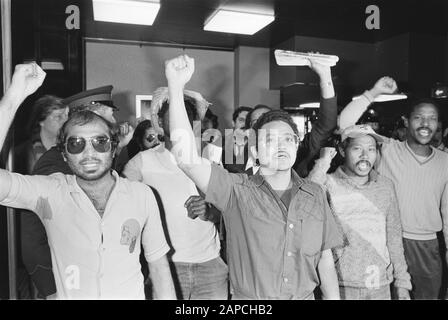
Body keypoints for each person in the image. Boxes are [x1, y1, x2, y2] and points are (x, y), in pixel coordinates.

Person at [165, 54, 342, 300]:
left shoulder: (315, 194)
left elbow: (325, 259)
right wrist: (175, 88)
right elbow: (187, 158)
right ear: (256, 151)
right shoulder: (237, 190)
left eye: (287, 139)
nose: (280, 145)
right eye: (270, 139)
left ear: (296, 145)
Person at [0, 63, 175, 299]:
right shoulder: (51, 191)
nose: (89, 153)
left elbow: (159, 268)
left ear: (114, 148)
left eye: (100, 142)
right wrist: (14, 96)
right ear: (64, 153)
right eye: (76, 144)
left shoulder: (142, 195)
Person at [339, 79, 448, 299]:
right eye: (418, 118)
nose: (425, 124)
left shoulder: (445, 162)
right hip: (384, 242)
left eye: (432, 119)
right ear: (406, 121)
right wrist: (374, 92)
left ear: (438, 125)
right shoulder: (386, 150)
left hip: (427, 248)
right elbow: (345, 123)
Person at [123, 90, 227, 300]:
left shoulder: (210, 158)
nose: (181, 124)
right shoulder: (141, 163)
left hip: (210, 266)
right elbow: (121, 211)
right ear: (160, 122)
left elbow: (226, 213)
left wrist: (209, 211)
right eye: (174, 117)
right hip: (165, 267)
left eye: (187, 119)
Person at [308, 125, 412, 300]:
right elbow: (306, 196)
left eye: (371, 149)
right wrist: (323, 161)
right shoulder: (328, 183)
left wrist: (402, 282)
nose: (365, 156)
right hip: (339, 285)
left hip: (380, 284)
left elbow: (393, 236)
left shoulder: (385, 186)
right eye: (357, 149)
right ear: (342, 150)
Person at [15, 95, 68, 299]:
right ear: (41, 121)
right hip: (32, 239)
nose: (65, 120)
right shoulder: (20, 155)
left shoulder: (68, 153)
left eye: (67, 115)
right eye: (58, 116)